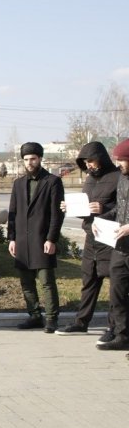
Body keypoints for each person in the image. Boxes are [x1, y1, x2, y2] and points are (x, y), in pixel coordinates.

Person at [57, 142, 119, 337]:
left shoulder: (119, 178)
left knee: (115, 285)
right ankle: (81, 322)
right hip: (91, 237)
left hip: (111, 239)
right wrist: (72, 209)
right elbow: (86, 207)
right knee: (88, 281)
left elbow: (123, 208)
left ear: (101, 157)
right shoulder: (89, 180)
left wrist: (104, 210)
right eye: (85, 162)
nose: (89, 165)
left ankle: (114, 328)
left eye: (91, 160)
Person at [8, 142, 64, 333]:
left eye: (33, 158)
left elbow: (57, 214)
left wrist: (51, 238)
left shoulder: (52, 182)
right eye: (26, 159)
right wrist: (12, 238)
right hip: (22, 241)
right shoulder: (18, 183)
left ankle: (51, 319)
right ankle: (34, 316)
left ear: (40, 159)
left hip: (42, 239)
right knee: (26, 282)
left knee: (47, 281)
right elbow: (13, 213)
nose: (29, 162)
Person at [91, 139, 129, 350]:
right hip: (121, 248)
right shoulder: (122, 179)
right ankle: (122, 335)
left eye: (122, 160)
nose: (118, 164)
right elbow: (119, 210)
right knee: (117, 292)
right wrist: (102, 219)